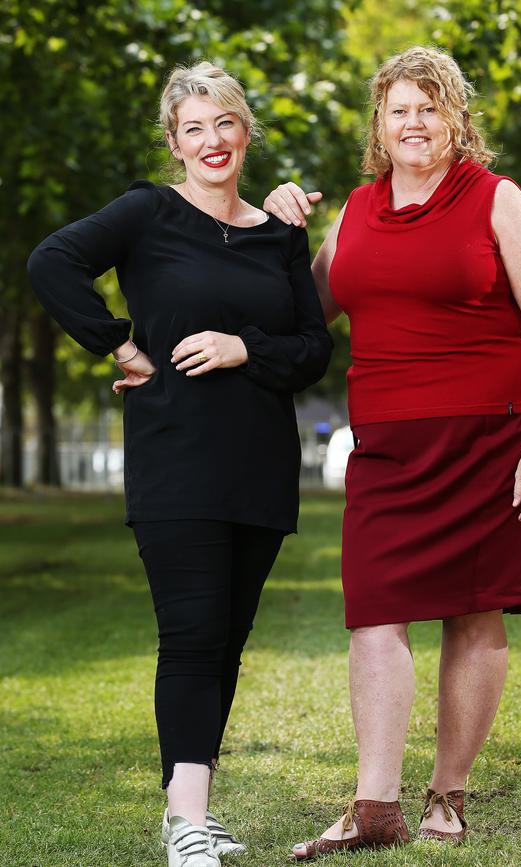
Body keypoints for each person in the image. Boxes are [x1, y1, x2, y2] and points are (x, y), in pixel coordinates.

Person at [264, 45, 521, 857]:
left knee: (473, 611)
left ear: (456, 119)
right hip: (387, 451)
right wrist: (272, 230)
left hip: (490, 439)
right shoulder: (358, 211)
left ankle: (448, 794)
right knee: (374, 611)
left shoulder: (498, 200)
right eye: (400, 109)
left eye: (430, 108)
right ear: (379, 123)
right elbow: (307, 310)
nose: (415, 122)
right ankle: (376, 808)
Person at [28, 62, 331, 867]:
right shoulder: (147, 212)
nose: (212, 141)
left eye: (224, 123)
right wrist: (120, 342)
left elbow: (312, 350)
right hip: (176, 460)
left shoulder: (279, 235)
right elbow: (51, 262)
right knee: (192, 635)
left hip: (261, 465)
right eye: (193, 128)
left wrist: (245, 347)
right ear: (174, 141)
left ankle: (186, 809)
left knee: (225, 640)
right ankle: (189, 825)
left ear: (245, 130)